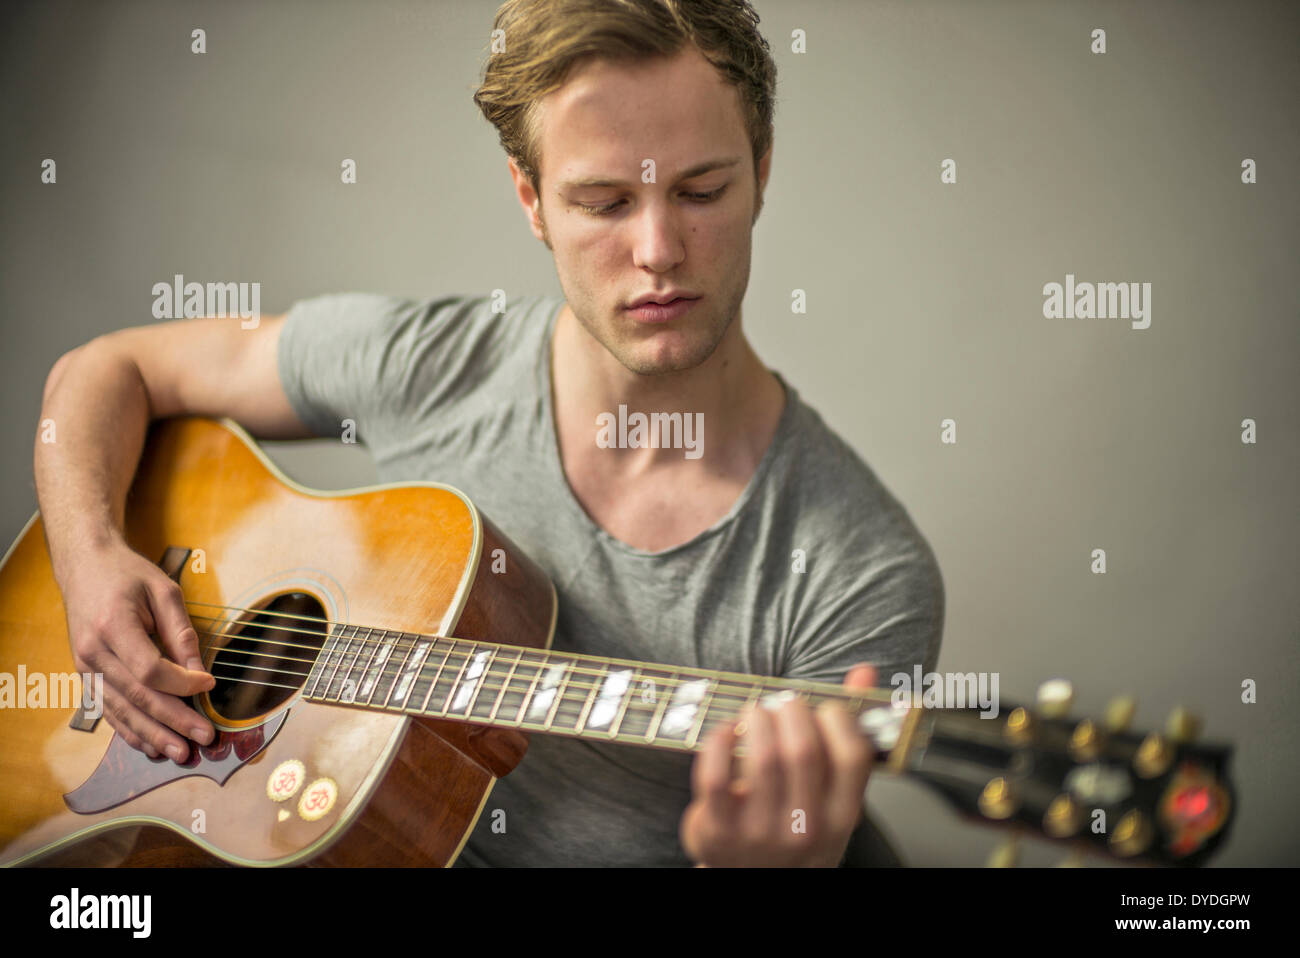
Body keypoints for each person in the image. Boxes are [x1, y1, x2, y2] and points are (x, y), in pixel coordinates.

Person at [33, 0, 943, 867]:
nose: (660, 249)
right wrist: (89, 562)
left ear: (764, 169)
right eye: (605, 203)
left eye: (702, 190)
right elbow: (106, 371)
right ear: (531, 198)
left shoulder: (856, 574)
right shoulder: (431, 363)